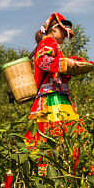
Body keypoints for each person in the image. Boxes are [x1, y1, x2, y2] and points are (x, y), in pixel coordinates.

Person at [26, 12, 82, 144]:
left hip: (56, 95)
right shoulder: (49, 42)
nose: (65, 36)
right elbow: (43, 62)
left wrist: (69, 68)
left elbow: (54, 70)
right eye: (63, 31)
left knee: (47, 135)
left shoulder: (51, 44)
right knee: (59, 132)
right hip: (51, 98)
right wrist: (65, 63)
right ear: (55, 29)